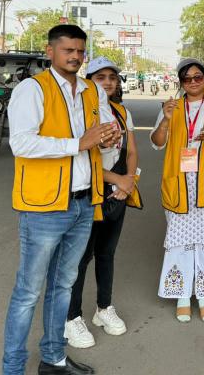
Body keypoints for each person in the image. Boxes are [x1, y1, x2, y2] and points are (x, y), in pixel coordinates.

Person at [3, 24, 122, 375]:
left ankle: (53, 357)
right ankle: (12, 369)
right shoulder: (32, 89)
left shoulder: (90, 90)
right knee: (28, 292)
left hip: (84, 203)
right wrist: (79, 144)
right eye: (67, 49)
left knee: (63, 286)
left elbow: (100, 143)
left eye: (79, 51)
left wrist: (108, 141)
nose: (74, 56)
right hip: (43, 208)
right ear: (50, 50)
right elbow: (21, 143)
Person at [65, 57, 142, 349]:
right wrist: (117, 179)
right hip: (90, 193)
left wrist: (128, 181)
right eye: (100, 77)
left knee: (107, 253)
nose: (107, 82)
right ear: (88, 80)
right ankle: (71, 318)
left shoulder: (122, 112)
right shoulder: (82, 113)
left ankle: (103, 308)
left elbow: (132, 151)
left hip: (117, 193)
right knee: (81, 258)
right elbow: (81, 157)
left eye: (112, 77)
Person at [150, 58, 204, 323]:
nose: (194, 82)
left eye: (198, 77)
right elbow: (157, 143)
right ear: (181, 83)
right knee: (180, 242)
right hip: (179, 184)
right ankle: (183, 295)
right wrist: (165, 120)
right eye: (188, 79)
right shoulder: (171, 108)